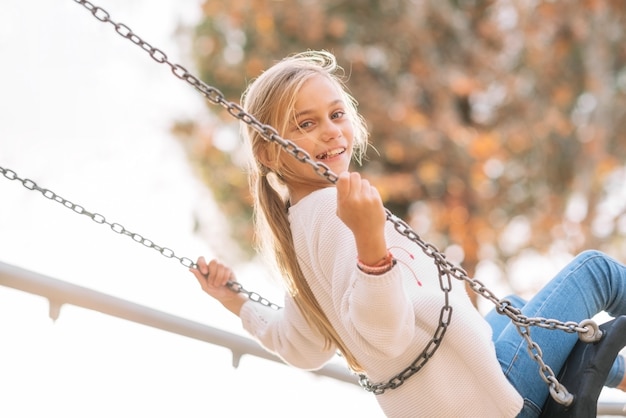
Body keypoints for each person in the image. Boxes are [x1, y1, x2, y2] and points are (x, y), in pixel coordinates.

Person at [189, 50, 626, 417]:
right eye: (305, 124)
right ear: (268, 148)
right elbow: (386, 337)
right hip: (494, 403)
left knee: (511, 310)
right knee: (597, 271)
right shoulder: (331, 213)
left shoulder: (299, 231)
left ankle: (622, 376)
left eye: (336, 114)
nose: (330, 130)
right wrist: (371, 248)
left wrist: (237, 303)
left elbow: (302, 347)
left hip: (464, 400)